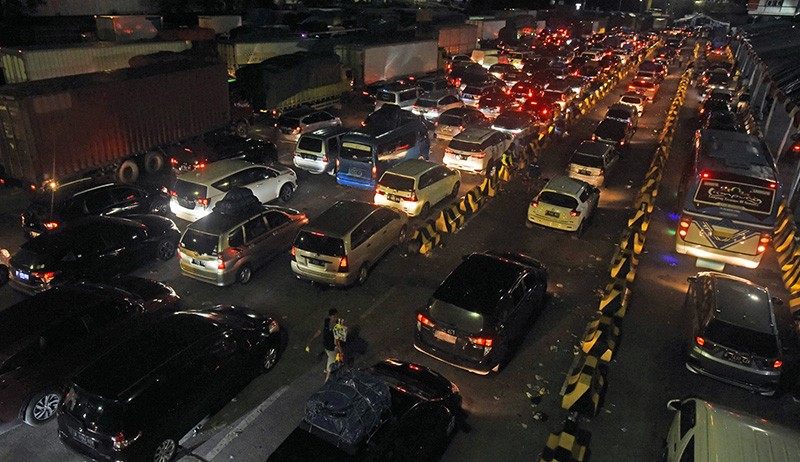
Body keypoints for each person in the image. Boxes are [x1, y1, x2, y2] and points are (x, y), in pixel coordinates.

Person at [323, 309, 344, 382]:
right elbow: (337, 342)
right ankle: (326, 382)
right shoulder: (337, 327)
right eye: (335, 316)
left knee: (332, 359)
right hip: (332, 349)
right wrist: (341, 351)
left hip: (327, 346)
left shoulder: (326, 322)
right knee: (330, 368)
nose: (336, 318)